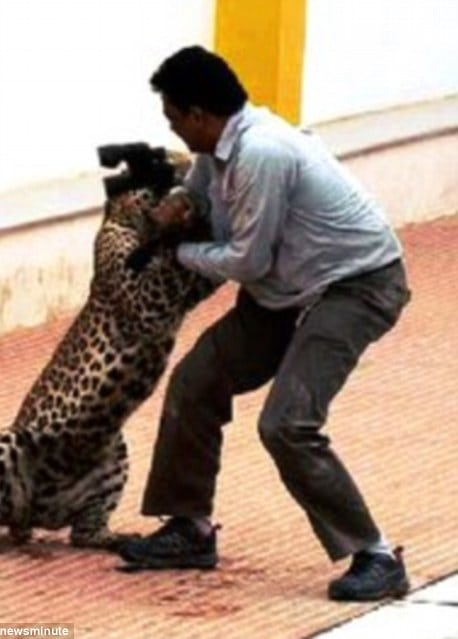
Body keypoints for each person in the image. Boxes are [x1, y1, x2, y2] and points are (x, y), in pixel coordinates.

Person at [118, 46, 412, 602]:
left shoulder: (262, 152)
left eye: (174, 119)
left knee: (287, 424)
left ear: (200, 114)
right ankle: (189, 529)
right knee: (195, 382)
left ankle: (375, 555)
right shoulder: (220, 145)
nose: (174, 131)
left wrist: (179, 253)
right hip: (286, 287)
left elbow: (247, 261)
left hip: (355, 284)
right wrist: (177, 206)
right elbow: (199, 191)